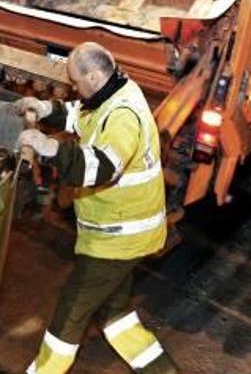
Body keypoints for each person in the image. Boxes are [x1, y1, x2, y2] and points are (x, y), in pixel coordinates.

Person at [16, 42, 177, 374]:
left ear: (93, 75)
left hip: (119, 239)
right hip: (119, 234)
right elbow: (81, 115)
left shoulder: (123, 116)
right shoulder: (109, 93)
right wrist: (46, 109)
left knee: (70, 314)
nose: (74, 87)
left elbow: (102, 166)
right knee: (114, 313)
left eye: (76, 81)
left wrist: (49, 148)